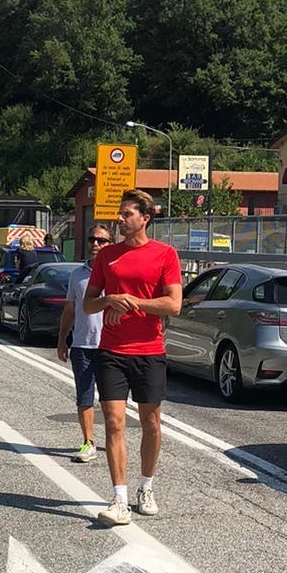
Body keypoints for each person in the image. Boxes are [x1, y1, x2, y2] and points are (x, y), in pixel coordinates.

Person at [82, 189, 183, 526]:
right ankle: (119, 498)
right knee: (113, 422)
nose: (120, 220)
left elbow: (173, 305)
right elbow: (88, 304)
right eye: (120, 214)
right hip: (111, 351)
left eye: (127, 214)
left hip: (150, 351)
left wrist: (132, 301)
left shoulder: (165, 254)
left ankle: (146, 487)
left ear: (145, 219)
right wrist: (111, 299)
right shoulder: (106, 256)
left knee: (151, 423)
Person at [56, 223, 113, 463]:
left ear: (111, 243)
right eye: (92, 240)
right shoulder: (77, 275)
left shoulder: (116, 272)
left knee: (111, 400)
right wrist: (62, 339)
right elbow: (70, 309)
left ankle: (114, 442)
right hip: (82, 345)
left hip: (111, 346)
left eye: (102, 240)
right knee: (84, 397)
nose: (96, 244)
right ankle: (88, 442)